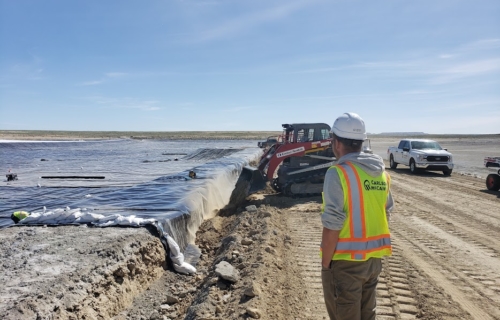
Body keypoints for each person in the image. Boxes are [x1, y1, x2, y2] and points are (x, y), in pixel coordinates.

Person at [320, 112, 394, 320]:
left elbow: (333, 224)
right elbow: (385, 213)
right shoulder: (381, 174)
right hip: (373, 261)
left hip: (345, 264)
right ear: (361, 142)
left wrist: (326, 265)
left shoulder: (338, 173)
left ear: (336, 143)